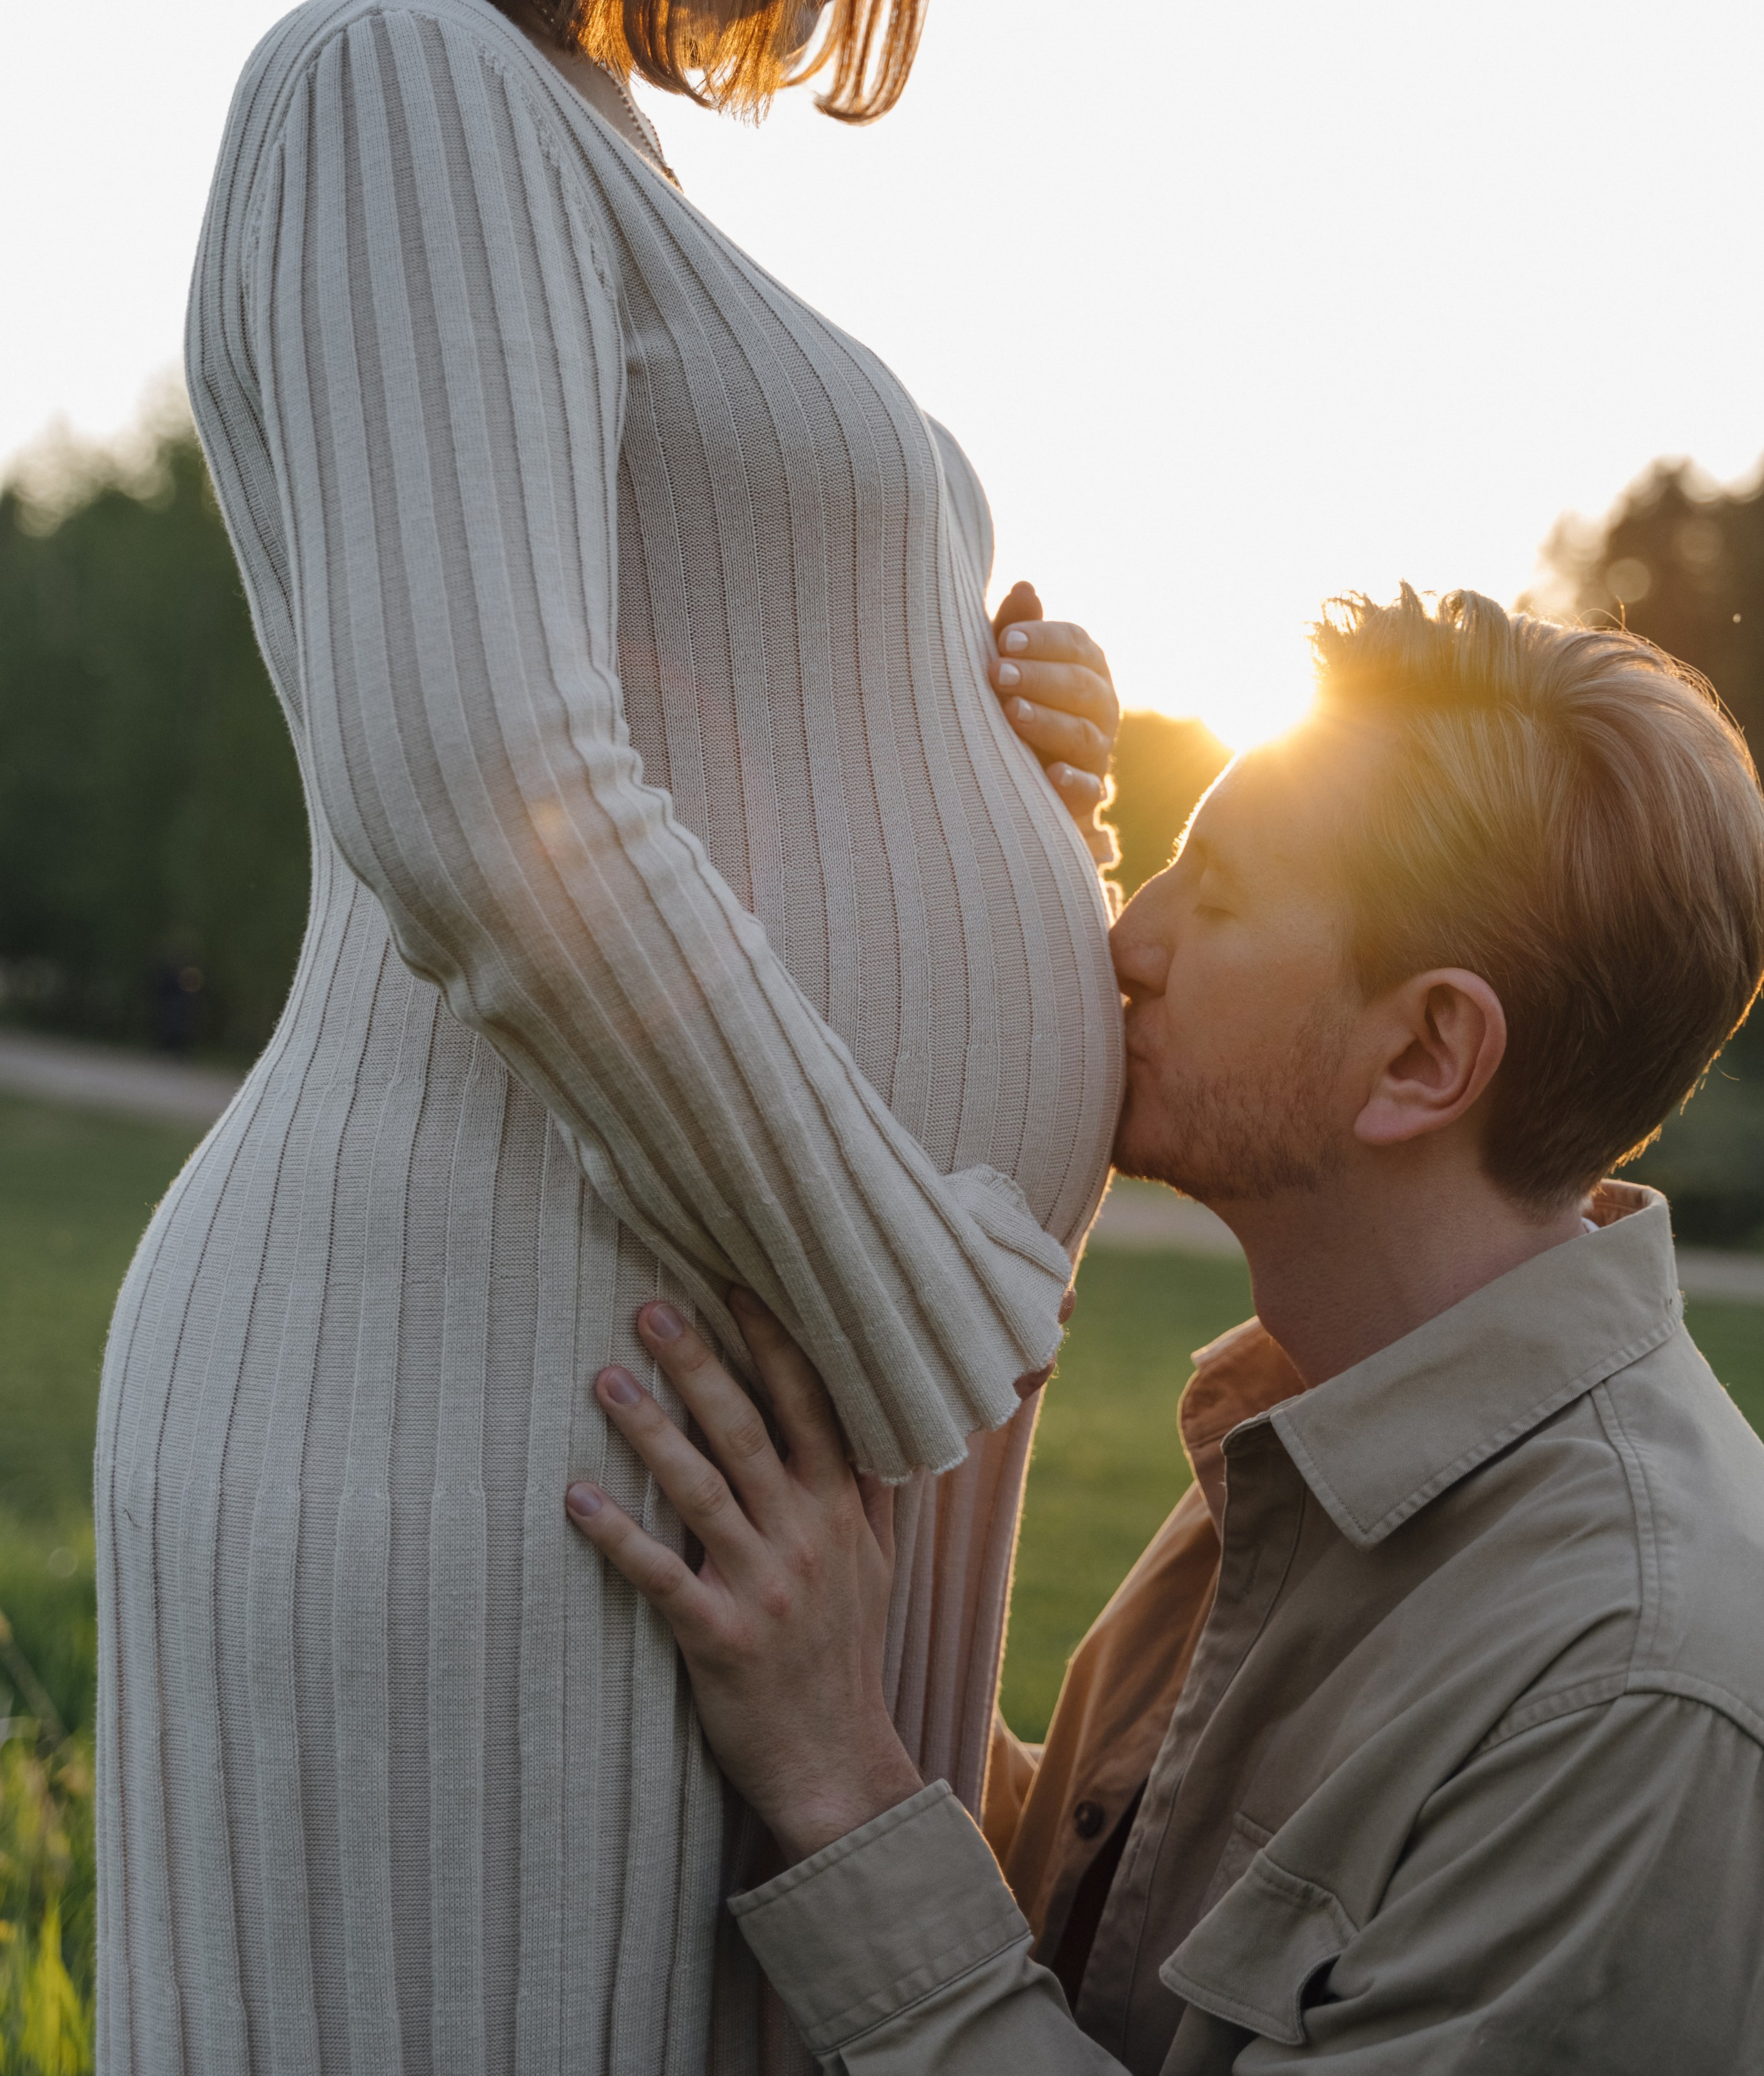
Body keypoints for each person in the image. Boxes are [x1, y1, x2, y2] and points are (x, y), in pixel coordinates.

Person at [94, 0, 1125, 2070]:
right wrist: (932, 1328)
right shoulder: (399, 77)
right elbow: (481, 780)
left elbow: (678, 729)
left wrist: (1001, 781)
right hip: (494, 1406)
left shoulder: (583, 147)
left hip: (671, 1424)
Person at [568, 587, 1764, 2072]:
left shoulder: (1625, 1685)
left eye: (1220, 887)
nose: (1129, 938)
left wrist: (847, 1787)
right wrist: (1000, 799)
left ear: (1422, 1050)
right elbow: (1111, 1945)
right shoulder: (1327, 1414)